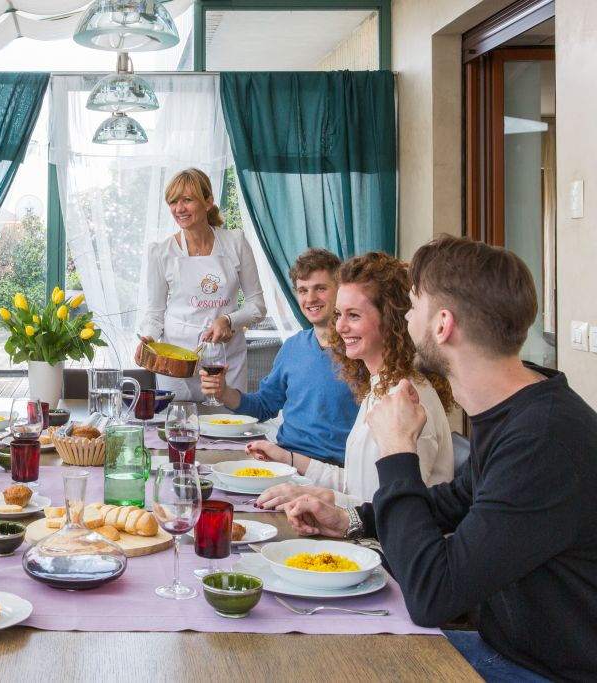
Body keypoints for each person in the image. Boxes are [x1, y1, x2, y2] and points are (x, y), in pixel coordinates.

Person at [281, 236, 597, 682]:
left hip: (538, 670)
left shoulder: (542, 439)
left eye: (412, 307)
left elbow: (432, 596)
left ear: (442, 324)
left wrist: (397, 452)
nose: (405, 319)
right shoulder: (518, 412)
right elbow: (451, 502)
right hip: (502, 646)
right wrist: (349, 521)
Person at [252, 252, 455, 508]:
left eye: (354, 315)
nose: (340, 327)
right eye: (339, 314)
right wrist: (288, 458)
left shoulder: (408, 399)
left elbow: (395, 512)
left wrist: (319, 496)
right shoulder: (379, 385)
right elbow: (356, 483)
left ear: (390, 320)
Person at [198, 248, 358, 465]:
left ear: (340, 290)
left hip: (334, 472)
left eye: (320, 288)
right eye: (302, 290)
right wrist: (223, 391)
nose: (310, 298)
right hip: (284, 463)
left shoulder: (360, 350)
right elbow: (263, 406)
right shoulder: (292, 347)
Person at [135, 168, 266, 401]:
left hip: (226, 358)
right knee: (178, 426)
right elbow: (155, 313)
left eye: (187, 200)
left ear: (208, 202)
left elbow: (257, 305)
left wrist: (228, 320)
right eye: (173, 202)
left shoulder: (235, 243)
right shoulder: (161, 252)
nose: (179, 209)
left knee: (228, 423)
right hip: (176, 362)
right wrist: (149, 338)